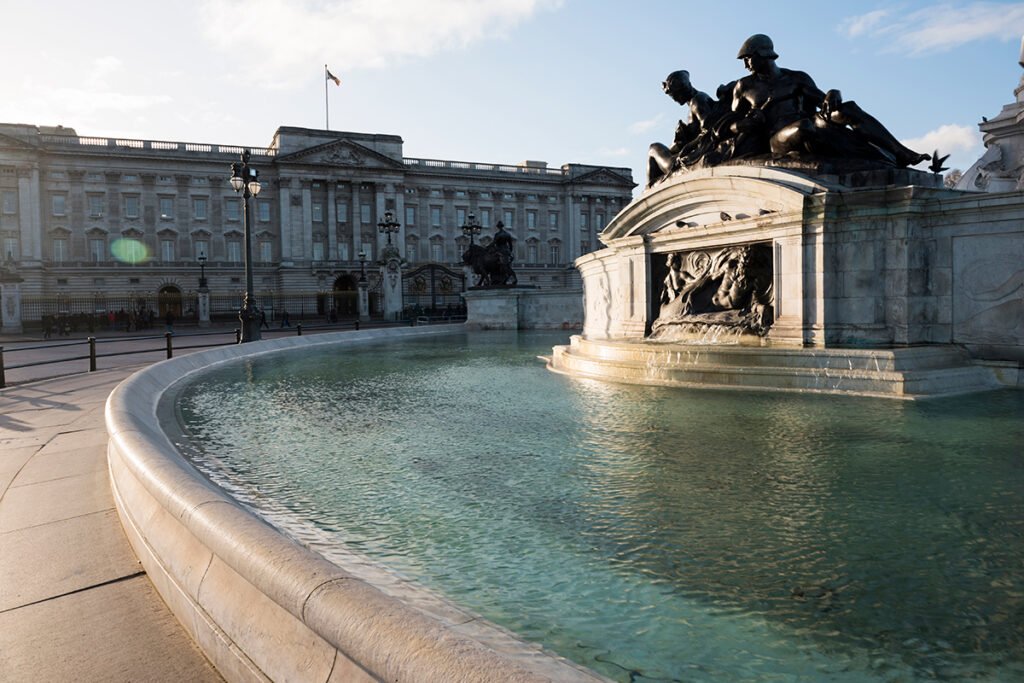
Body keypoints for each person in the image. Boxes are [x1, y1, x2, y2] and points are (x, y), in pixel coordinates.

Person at [728, 34, 930, 167]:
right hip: (777, 138)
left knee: (847, 109)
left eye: (748, 58)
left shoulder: (796, 78)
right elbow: (732, 124)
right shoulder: (744, 86)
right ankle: (872, 157)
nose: (746, 65)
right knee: (806, 126)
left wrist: (833, 93)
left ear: (763, 55)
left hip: (808, 122)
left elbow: (822, 102)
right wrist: (747, 123)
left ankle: (901, 152)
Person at [647, 70, 734, 185]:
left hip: (692, 156)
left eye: (674, 95)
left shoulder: (697, 102)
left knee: (653, 148)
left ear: (682, 90)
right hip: (690, 153)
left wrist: (687, 146)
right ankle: (653, 187)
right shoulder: (698, 99)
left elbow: (708, 132)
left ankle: (651, 188)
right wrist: (680, 140)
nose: (674, 99)